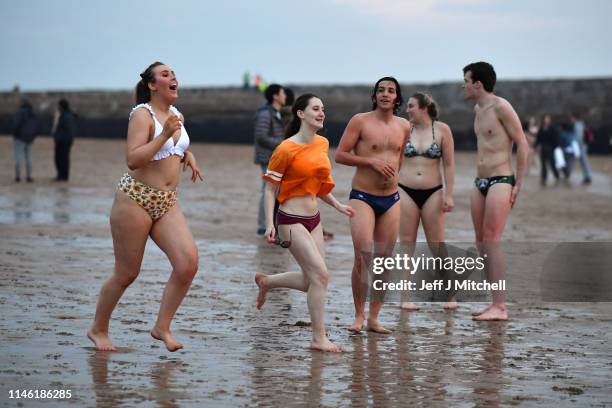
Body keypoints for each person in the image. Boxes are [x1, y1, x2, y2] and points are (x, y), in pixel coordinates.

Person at [87, 62, 203, 352]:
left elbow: (173, 148)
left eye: (174, 73)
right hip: (135, 199)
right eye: (165, 74)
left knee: (187, 264)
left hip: (166, 202)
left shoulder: (176, 115)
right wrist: (164, 136)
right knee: (127, 273)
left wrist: (186, 154)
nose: (173, 77)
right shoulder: (142, 115)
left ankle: (161, 326)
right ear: (152, 85)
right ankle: (98, 329)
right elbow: (134, 159)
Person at [255, 93, 354, 352]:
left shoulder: (322, 143)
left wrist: (338, 205)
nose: (321, 113)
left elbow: (319, 186)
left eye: (323, 108)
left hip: (314, 219)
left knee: (312, 280)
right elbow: (269, 190)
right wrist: (269, 224)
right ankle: (318, 338)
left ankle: (267, 281)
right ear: (301, 114)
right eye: (315, 109)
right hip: (289, 220)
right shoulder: (286, 148)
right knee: (321, 276)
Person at [335, 77, 410, 333]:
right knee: (362, 257)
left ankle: (374, 318)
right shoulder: (360, 121)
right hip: (363, 197)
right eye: (381, 90)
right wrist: (372, 162)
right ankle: (358, 315)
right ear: (375, 95)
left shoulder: (404, 126)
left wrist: (392, 178)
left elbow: (399, 158)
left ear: (397, 97)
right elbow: (341, 155)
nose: (385, 94)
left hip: (391, 199)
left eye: (390, 91)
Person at [462, 61, 528, 321]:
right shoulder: (478, 108)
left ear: (477, 84)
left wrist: (518, 183)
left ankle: (500, 306)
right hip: (480, 182)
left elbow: (522, 144)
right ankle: (494, 303)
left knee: (492, 239)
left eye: (466, 81)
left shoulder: (502, 107)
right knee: (481, 242)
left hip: (501, 179)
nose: (463, 85)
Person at [397, 92, 456, 310]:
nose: (407, 110)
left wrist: (449, 194)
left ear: (424, 107)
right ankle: (406, 297)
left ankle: (449, 294)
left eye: (411, 106)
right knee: (406, 244)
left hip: (434, 191)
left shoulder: (442, 130)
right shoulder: (404, 129)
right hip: (405, 190)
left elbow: (449, 164)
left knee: (437, 245)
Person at [253, 84, 287, 235]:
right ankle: (263, 226)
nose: (285, 96)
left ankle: (271, 224)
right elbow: (261, 136)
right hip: (267, 158)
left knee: (273, 191)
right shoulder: (266, 114)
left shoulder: (275, 112)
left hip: (275, 157)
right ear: (275, 96)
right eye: (282, 93)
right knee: (267, 191)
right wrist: (282, 144)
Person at [12, 99, 38, 183]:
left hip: (20, 138)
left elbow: (16, 124)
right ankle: (29, 176)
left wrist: (15, 135)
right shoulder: (32, 113)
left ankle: (18, 176)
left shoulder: (19, 112)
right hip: (29, 138)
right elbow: (36, 126)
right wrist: (33, 137)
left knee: (18, 157)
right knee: (29, 158)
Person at [52, 99, 77, 181]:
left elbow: (65, 130)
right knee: (62, 159)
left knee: (62, 159)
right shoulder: (66, 115)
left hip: (63, 141)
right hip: (64, 141)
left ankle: (62, 176)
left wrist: (58, 137)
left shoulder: (66, 116)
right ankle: (62, 176)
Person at [535, 115, 560, 185]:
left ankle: (557, 175)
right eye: (545, 119)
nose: (546, 120)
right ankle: (544, 177)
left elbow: (555, 138)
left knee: (552, 163)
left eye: (547, 119)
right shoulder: (542, 128)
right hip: (543, 148)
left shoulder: (553, 128)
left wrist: (555, 147)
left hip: (550, 148)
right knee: (543, 164)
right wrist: (536, 146)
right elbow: (538, 138)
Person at [570, 113, 592, 184]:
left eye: (572, 118)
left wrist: (574, 145)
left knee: (582, 162)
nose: (571, 120)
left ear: (574, 118)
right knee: (584, 162)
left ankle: (587, 177)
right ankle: (587, 176)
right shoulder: (582, 124)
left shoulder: (578, 125)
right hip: (582, 145)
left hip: (580, 146)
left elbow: (578, 137)